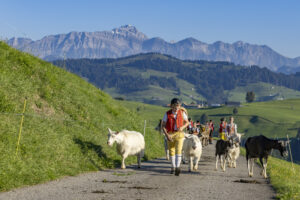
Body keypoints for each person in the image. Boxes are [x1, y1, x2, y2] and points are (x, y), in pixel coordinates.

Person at [162, 98, 189, 176]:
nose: (176, 107)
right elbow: (163, 126)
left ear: (180, 106)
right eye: (174, 106)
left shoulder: (182, 113)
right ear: (171, 106)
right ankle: (173, 166)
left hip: (179, 134)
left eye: (178, 106)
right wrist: (167, 135)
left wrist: (182, 127)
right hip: (170, 134)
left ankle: (177, 167)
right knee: (171, 151)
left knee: (178, 149)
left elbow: (187, 122)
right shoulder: (167, 114)